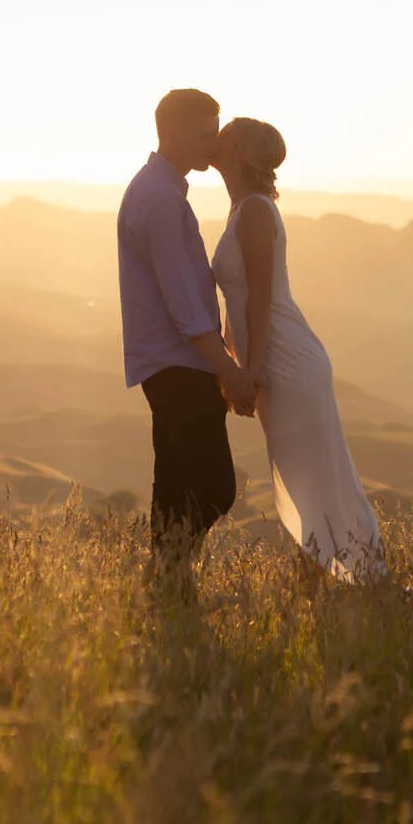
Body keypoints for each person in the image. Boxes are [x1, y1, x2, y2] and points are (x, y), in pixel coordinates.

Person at [211, 116, 386, 583]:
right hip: (275, 360)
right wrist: (232, 366)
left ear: (238, 154)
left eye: (223, 137)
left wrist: (249, 371)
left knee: (317, 481)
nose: (215, 141)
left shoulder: (253, 210)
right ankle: (333, 588)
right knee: (308, 479)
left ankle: (369, 582)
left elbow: (261, 298)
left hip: (287, 362)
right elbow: (237, 302)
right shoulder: (243, 207)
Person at [118, 88, 253, 569]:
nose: (212, 145)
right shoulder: (160, 199)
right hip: (179, 364)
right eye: (202, 135)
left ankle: (168, 589)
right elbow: (184, 305)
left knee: (175, 489)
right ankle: (166, 575)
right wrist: (229, 371)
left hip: (171, 364)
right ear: (171, 132)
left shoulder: (159, 189)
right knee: (214, 488)